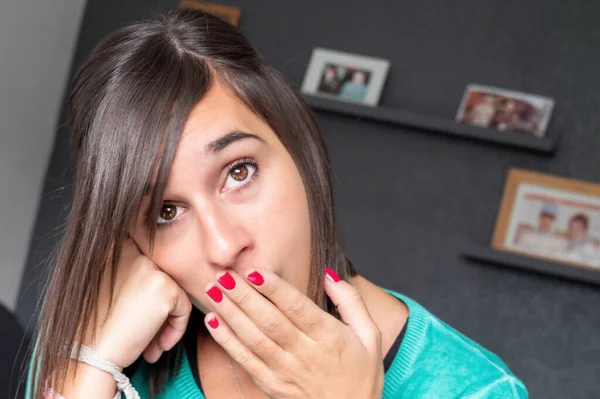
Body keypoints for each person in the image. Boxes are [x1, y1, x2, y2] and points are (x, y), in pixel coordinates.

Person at [26, 10, 527, 399]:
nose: (223, 246)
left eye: (238, 172)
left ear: (297, 148)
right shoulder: (100, 347)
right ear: (132, 241)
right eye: (165, 212)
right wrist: (94, 369)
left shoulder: (476, 389)